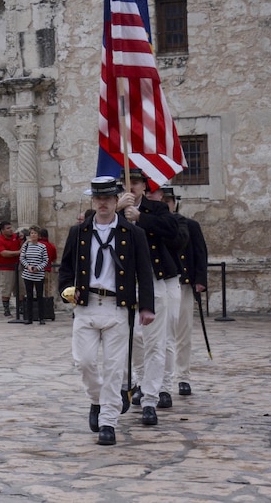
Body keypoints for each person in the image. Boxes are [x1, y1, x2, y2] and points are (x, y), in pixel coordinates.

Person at [58, 176, 155, 446]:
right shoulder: (78, 233)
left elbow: (144, 272)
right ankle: (96, 399)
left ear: (116, 201)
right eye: (98, 198)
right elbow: (66, 269)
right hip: (87, 306)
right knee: (84, 361)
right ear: (93, 201)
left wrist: (147, 306)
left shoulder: (133, 233)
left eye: (108, 198)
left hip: (117, 308)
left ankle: (108, 422)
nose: (103, 203)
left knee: (114, 368)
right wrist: (67, 290)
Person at [118, 168, 180, 418]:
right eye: (127, 182)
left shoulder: (157, 210)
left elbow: (173, 232)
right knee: (132, 340)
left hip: (153, 280)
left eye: (136, 182)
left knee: (157, 340)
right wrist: (118, 212)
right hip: (123, 283)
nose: (131, 186)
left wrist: (140, 217)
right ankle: (140, 382)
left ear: (144, 186)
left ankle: (151, 399)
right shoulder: (113, 210)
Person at [154, 186, 208, 397]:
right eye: (163, 200)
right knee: (161, 334)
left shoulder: (189, 225)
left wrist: (200, 280)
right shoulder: (153, 226)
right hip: (162, 282)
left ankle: (183, 376)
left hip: (184, 284)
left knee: (183, 332)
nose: (167, 204)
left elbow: (200, 252)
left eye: (170, 200)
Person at [19, 226, 49, 324]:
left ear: (38, 235)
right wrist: (28, 266)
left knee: (40, 296)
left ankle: (41, 318)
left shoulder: (42, 247)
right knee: (29, 296)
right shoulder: (26, 246)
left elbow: (45, 260)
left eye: (35, 233)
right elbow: (22, 258)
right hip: (28, 274)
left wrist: (38, 268)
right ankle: (29, 318)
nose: (33, 235)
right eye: (31, 233)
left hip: (39, 274)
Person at [0, 221, 24, 317]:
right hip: (6, 268)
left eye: (11, 227)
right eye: (8, 228)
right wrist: (18, 252)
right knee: (6, 289)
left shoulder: (16, 236)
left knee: (21, 289)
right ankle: (6, 309)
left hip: (18, 266)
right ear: (2, 230)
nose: (11, 230)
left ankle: (21, 308)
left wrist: (23, 237)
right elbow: (4, 253)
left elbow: (23, 244)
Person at [39, 225, 59, 320]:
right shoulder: (51, 246)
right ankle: (48, 309)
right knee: (48, 291)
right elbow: (54, 259)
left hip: (37, 271)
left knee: (37, 291)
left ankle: (38, 309)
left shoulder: (37, 245)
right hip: (47, 270)